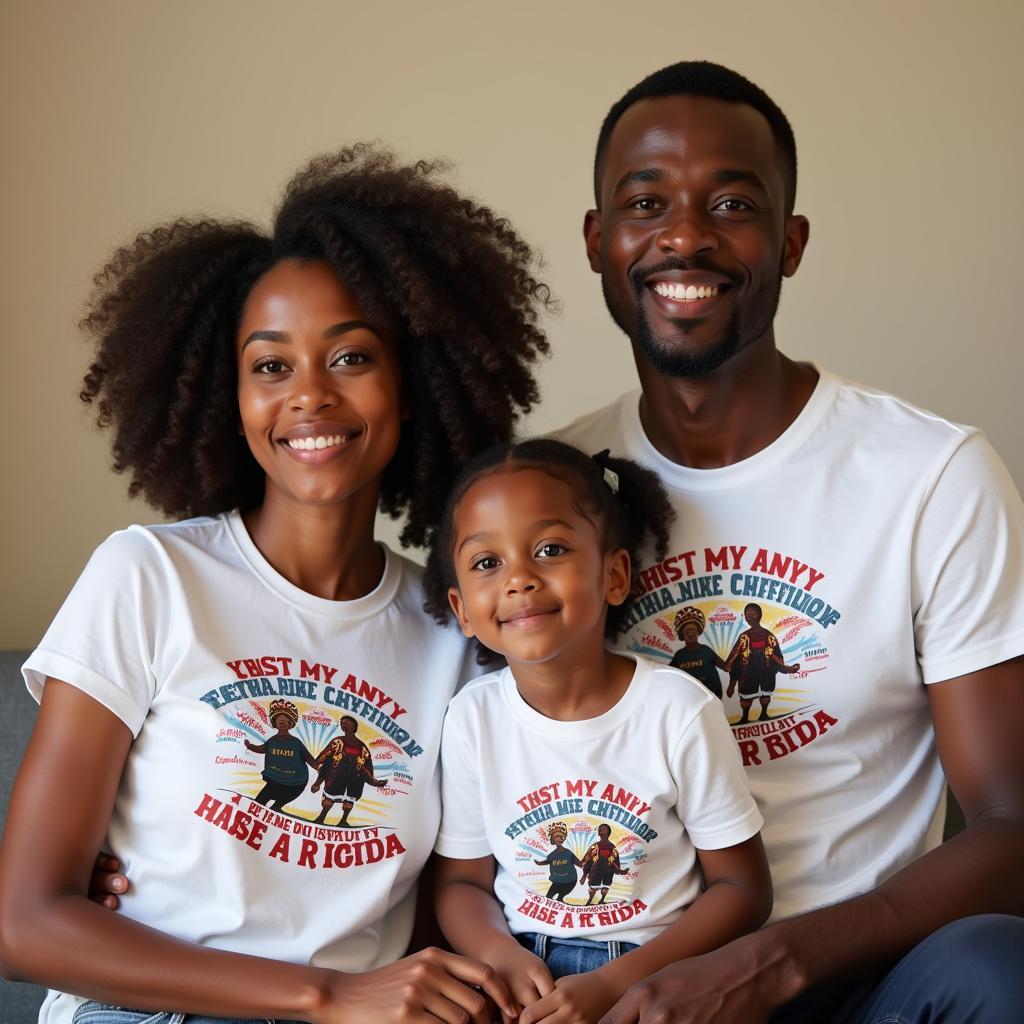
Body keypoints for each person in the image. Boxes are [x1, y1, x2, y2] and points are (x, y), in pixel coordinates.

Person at [0, 144, 551, 1024]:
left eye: (351, 358)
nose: (308, 396)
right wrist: (328, 994)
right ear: (232, 395)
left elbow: (455, 896)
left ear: (412, 388)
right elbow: (24, 925)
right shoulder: (149, 576)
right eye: (270, 365)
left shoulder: (457, 635)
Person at [557, 60, 1024, 1021]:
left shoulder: (931, 475)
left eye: (731, 202)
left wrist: (772, 964)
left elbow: (1014, 825)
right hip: (608, 982)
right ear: (601, 241)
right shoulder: (545, 488)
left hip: (853, 980)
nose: (684, 235)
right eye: (647, 204)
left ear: (791, 241)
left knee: (997, 964)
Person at [422, 439, 771, 1024]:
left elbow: (742, 890)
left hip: (652, 979)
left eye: (549, 549)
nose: (519, 579)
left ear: (614, 576)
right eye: (488, 562)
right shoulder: (472, 717)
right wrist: (498, 956)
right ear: (462, 608)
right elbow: (461, 883)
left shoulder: (676, 710)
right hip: (520, 981)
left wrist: (616, 984)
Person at [723, 603, 800, 722]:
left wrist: (786, 668)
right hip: (748, 672)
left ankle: (763, 714)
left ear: (759, 615)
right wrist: (731, 681)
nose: (749, 616)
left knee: (765, 695)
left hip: (766, 671)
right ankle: (744, 717)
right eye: (747, 614)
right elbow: (735, 655)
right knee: (746, 699)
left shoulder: (769, 636)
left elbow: (776, 655)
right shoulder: (744, 637)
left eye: (752, 613)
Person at [244, 698, 318, 811]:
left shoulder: (296, 743)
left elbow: (310, 760)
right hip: (274, 780)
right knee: (258, 803)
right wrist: (251, 746)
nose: (282, 724)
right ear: (275, 724)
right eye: (280, 722)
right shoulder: (272, 741)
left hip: (295, 783)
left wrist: (320, 767)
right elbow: (263, 748)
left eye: (285, 722)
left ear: (290, 724)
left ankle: (277, 807)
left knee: (277, 805)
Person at [668, 606, 727, 698]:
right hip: (691, 698)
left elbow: (725, 667)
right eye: (687, 631)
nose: (690, 634)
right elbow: (669, 673)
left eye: (693, 630)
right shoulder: (679, 656)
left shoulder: (706, 650)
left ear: (698, 632)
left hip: (712, 697)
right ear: (682, 634)